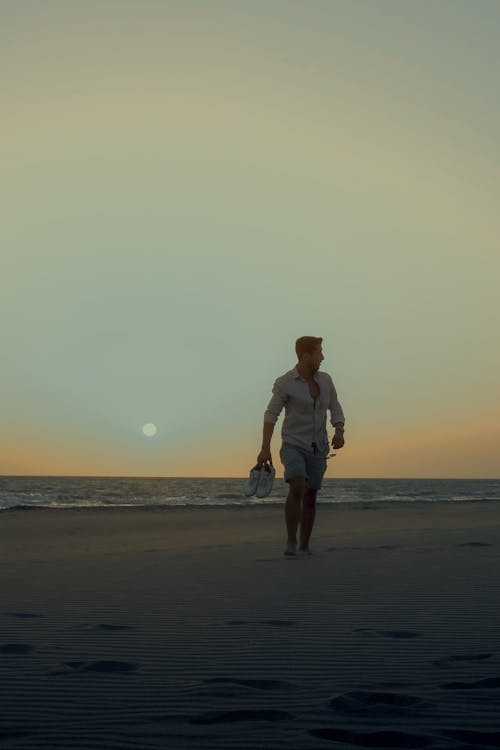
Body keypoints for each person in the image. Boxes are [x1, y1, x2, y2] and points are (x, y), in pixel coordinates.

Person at [257, 336, 345, 557]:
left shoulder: (326, 380)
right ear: (306, 356)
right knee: (297, 487)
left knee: (311, 495)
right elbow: (271, 415)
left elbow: (335, 408)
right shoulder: (285, 382)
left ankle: (304, 545)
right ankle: (290, 540)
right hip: (293, 445)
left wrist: (339, 430)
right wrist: (265, 448)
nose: (323, 357)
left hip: (318, 448)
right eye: (319, 352)